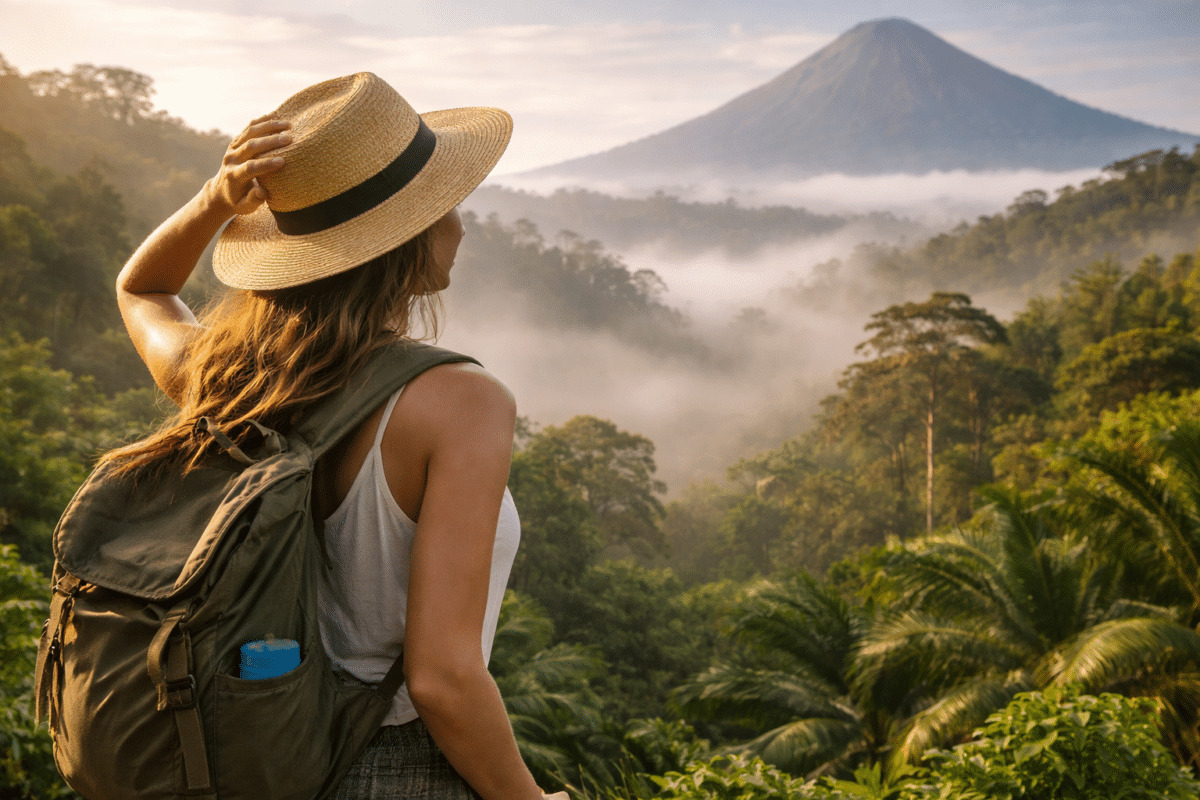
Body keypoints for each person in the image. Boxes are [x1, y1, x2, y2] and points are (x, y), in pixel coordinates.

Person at [111, 72, 549, 800]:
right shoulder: (461, 402)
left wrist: (215, 203)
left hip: (256, 759)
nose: (462, 222)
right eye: (446, 204)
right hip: (396, 765)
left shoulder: (226, 377)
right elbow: (441, 679)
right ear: (404, 239)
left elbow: (142, 288)